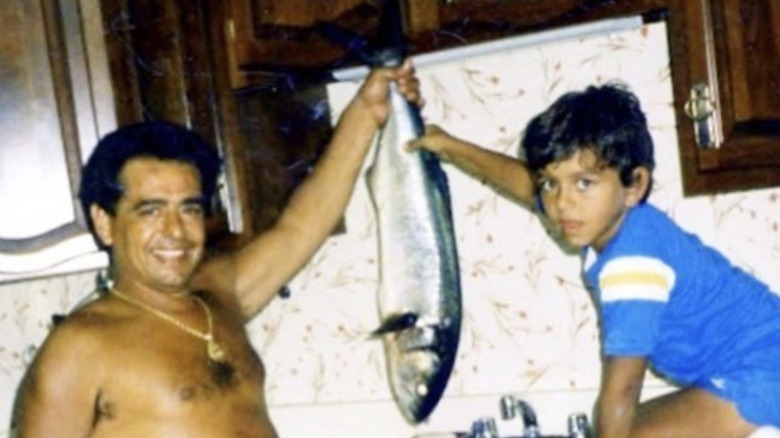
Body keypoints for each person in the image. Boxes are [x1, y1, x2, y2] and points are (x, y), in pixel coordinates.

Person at [12, 61, 420, 437]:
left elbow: (299, 228)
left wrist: (367, 114)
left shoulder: (218, 294)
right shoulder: (79, 346)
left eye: (189, 208)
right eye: (150, 211)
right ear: (105, 222)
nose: (176, 231)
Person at [409, 83, 780, 438]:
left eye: (583, 183)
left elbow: (621, 390)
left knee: (622, 428)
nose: (562, 202)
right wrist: (450, 146)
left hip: (763, 374)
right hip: (752, 367)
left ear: (635, 185)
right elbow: (526, 184)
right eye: (551, 183)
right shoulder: (617, 221)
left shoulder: (632, 267)